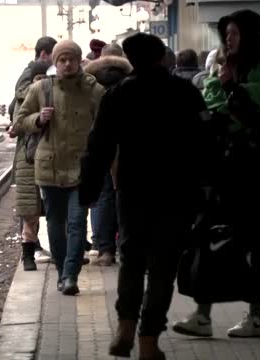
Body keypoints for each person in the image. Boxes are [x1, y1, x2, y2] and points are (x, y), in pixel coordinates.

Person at [80, 33, 209, 360]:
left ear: (132, 59)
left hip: (133, 189)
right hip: (176, 192)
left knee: (132, 262)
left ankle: (124, 329)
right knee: (163, 267)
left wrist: (89, 189)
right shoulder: (184, 92)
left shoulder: (119, 94)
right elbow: (203, 144)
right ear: (162, 57)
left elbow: (99, 146)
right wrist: (207, 189)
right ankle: (148, 341)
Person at [173, 9, 260, 338]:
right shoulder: (226, 68)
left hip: (254, 174)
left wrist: (231, 93)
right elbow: (211, 105)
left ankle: (257, 317)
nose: (228, 39)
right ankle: (202, 315)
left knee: (250, 243)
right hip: (221, 171)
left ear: (251, 35)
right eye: (227, 33)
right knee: (208, 241)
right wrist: (224, 95)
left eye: (235, 33)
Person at [17, 40, 104, 295]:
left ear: (79, 61)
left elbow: (106, 125)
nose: (67, 64)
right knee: (55, 223)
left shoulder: (93, 90)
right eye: (62, 60)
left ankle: (70, 275)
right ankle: (62, 272)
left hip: (81, 168)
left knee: (77, 222)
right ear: (55, 63)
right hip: (49, 167)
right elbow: (20, 121)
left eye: (72, 59)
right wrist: (38, 119)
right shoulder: (41, 89)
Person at [7, 36, 56, 266]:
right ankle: (30, 252)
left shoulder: (30, 85)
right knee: (32, 206)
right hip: (31, 153)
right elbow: (16, 124)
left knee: (43, 206)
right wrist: (37, 119)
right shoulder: (29, 91)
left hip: (35, 153)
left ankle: (46, 251)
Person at [83, 42, 132, 266]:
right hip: (128, 144)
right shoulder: (130, 80)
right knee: (127, 195)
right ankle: (125, 245)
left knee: (102, 195)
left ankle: (104, 250)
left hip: (99, 142)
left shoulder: (90, 81)